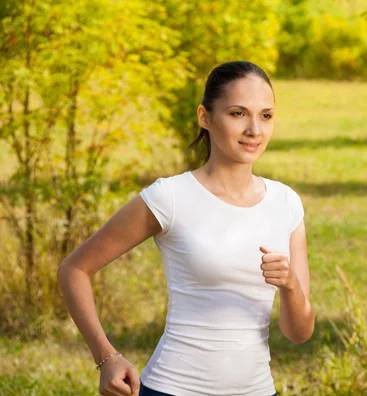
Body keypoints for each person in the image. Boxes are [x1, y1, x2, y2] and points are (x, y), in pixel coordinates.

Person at [57, 60, 314, 396]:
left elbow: (299, 333)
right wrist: (106, 359)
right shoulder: (171, 197)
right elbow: (74, 269)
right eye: (238, 113)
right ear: (205, 117)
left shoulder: (286, 203)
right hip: (172, 388)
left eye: (266, 115)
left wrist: (290, 285)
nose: (254, 129)